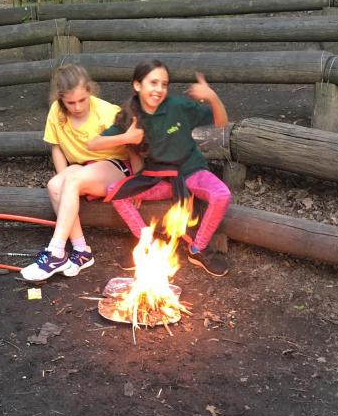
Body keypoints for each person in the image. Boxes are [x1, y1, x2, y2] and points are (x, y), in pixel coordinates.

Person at [87, 59, 231, 276]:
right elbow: (92, 144)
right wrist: (126, 138)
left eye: (164, 84)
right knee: (116, 192)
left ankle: (198, 249)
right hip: (158, 178)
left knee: (222, 195)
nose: (159, 89)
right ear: (137, 85)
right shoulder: (130, 117)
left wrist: (212, 97)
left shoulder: (178, 107)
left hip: (192, 172)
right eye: (153, 83)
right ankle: (147, 245)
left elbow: (221, 121)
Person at [21, 65, 136, 282]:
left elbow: (134, 146)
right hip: (83, 169)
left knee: (71, 180)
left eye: (82, 100)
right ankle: (82, 251)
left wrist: (138, 184)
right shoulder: (56, 112)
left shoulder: (107, 112)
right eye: (70, 102)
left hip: (116, 166)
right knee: (55, 185)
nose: (77, 107)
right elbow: (56, 146)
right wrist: (65, 183)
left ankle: (55, 252)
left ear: (90, 91)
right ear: (61, 99)